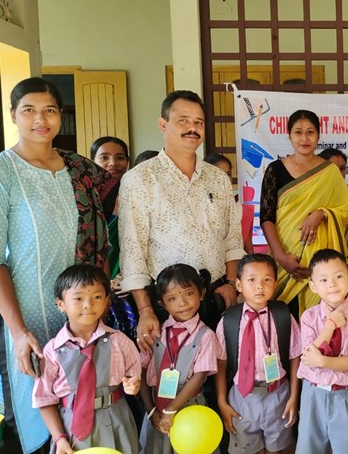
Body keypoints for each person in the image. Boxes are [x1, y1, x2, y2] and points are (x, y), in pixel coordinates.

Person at [0, 77, 115, 453]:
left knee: (86, 412)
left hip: (81, 316)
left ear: (60, 116)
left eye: (49, 110)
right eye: (29, 110)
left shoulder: (78, 169)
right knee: (39, 416)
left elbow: (113, 208)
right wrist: (18, 332)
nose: (40, 119)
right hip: (31, 319)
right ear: (13, 115)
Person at [119, 90, 246, 346]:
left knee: (216, 376)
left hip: (216, 298)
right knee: (173, 380)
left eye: (198, 122)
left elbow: (232, 239)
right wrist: (145, 310)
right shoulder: (140, 179)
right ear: (163, 124)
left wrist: (231, 284)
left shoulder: (218, 178)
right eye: (183, 120)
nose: (193, 128)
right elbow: (133, 251)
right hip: (167, 303)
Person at [32, 264, 141, 454]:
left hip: (117, 422)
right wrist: (60, 439)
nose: (88, 304)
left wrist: (133, 385)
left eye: (97, 297)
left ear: (107, 301)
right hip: (71, 426)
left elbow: (134, 377)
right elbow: (44, 399)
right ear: (61, 304)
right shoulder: (52, 350)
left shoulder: (120, 341)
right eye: (78, 298)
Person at [260, 110, 348, 315]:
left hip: (320, 266)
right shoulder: (275, 169)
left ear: (318, 136)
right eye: (298, 132)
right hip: (285, 259)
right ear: (289, 135)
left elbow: (346, 210)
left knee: (319, 323)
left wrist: (321, 214)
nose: (304, 138)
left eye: (310, 132)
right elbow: (267, 217)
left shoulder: (329, 171)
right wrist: (281, 256)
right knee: (284, 321)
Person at [215, 253, 301, 454]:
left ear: (275, 283)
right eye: (251, 280)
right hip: (242, 398)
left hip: (278, 395)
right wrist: (221, 401)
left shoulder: (283, 316)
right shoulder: (229, 320)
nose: (259, 286)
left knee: (280, 448)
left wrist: (294, 397)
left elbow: (295, 357)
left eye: (267, 279)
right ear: (238, 284)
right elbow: (221, 363)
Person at [296, 249, 348, 453]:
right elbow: (308, 355)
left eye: (338, 276)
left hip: (346, 395)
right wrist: (329, 325)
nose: (332, 284)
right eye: (323, 280)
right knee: (309, 447)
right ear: (313, 286)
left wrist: (323, 362)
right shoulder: (309, 317)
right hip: (313, 394)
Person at [139, 264, 220, 454]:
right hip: (156, 412)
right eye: (172, 298)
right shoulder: (155, 333)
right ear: (162, 303)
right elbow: (141, 372)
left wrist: (171, 410)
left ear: (201, 293)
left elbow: (199, 376)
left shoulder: (206, 335)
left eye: (188, 293)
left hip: (191, 411)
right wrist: (151, 411)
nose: (182, 302)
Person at [90, 136, 138, 341]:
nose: (113, 163)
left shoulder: (135, 190)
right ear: (92, 160)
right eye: (105, 157)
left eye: (120, 157)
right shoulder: (87, 194)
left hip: (130, 278)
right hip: (96, 277)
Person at [319, 147, 348, 260]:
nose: (339, 173)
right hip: (311, 261)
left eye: (342, 168)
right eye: (334, 168)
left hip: (342, 261)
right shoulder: (310, 197)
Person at [205, 152, 256, 256]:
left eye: (228, 174)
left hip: (237, 267)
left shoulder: (244, 211)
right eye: (218, 173)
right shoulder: (199, 208)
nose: (224, 178)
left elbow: (249, 249)